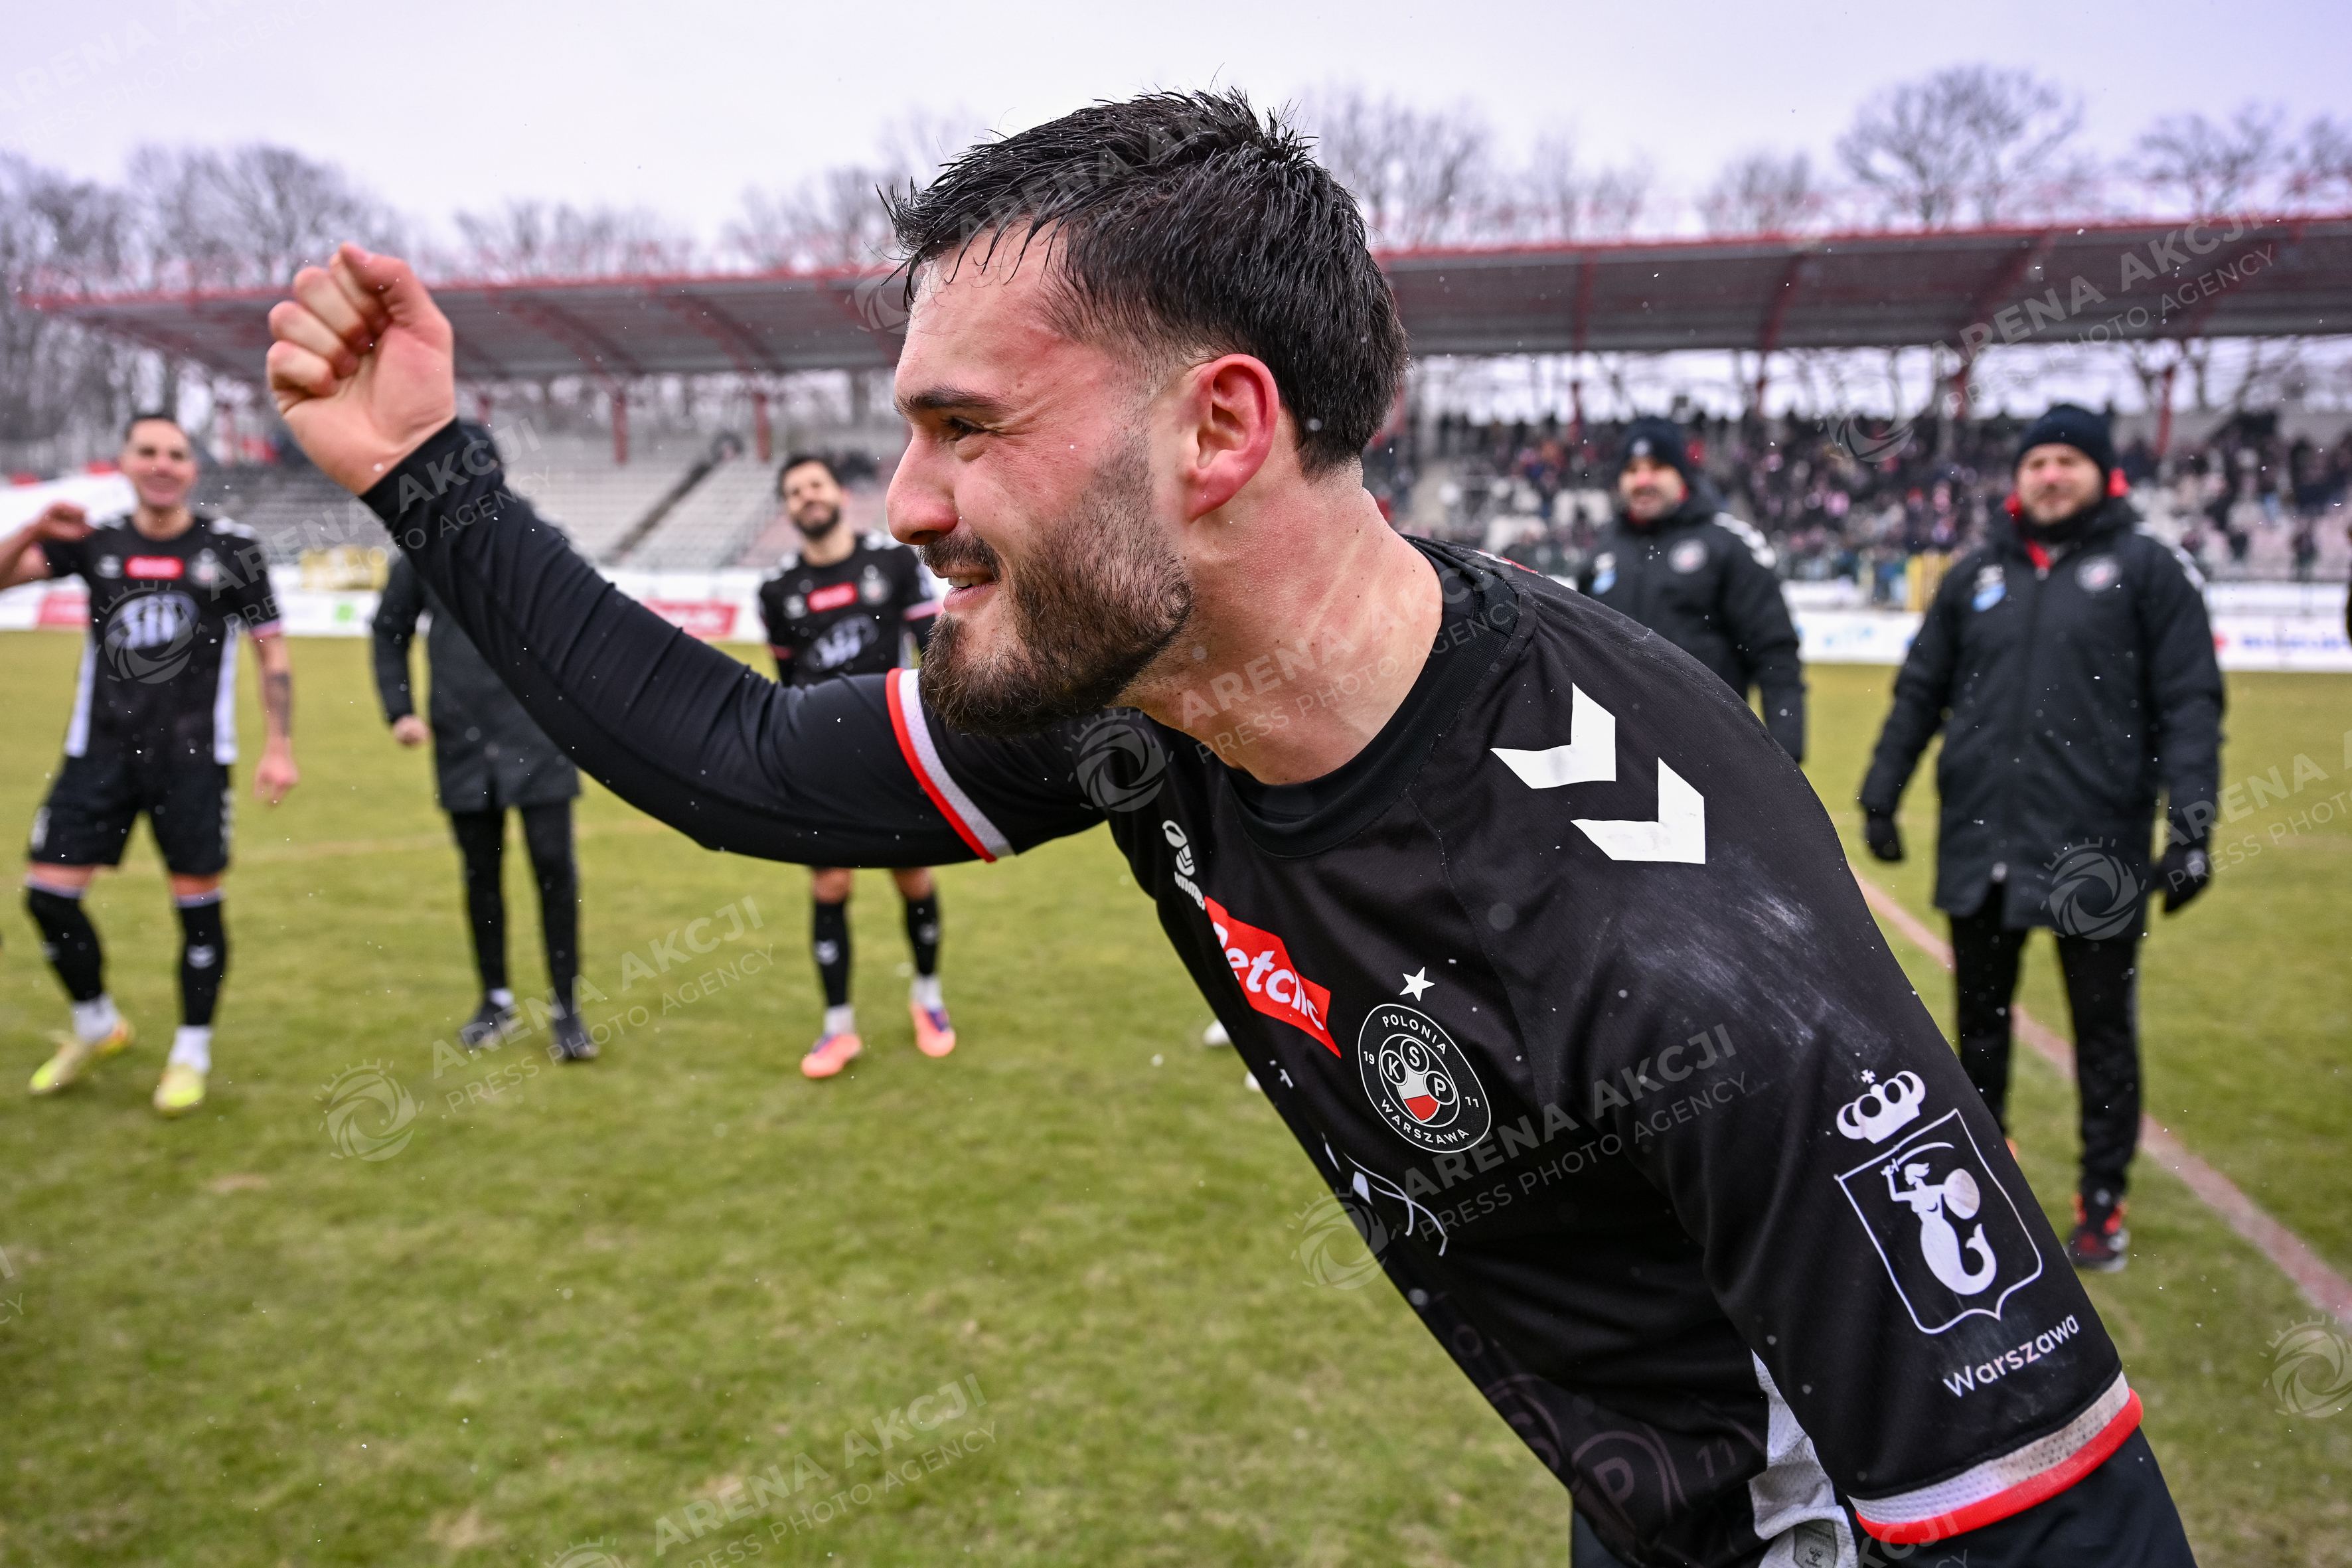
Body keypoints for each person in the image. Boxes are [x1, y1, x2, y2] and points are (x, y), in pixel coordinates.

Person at [264, 92, 2193, 1567]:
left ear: (1217, 431)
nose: (906, 498)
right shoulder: (1153, 695)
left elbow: (2049, 1518)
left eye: (964, 426)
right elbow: (748, 759)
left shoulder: (1666, 939)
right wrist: (428, 472)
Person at [1860, 404, 2224, 1275]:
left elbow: (2189, 702)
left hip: (2093, 851)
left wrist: (2191, 827)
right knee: (1975, 1034)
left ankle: (2101, 1204)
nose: (2050, 474)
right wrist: (1880, 794)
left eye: (2067, 460)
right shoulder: (1975, 574)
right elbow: (1920, 689)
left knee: (2101, 1035)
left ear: (2104, 473)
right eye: (2036, 461)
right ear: (2018, 478)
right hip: (1980, 842)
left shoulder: (2147, 570)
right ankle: (1985, 1183)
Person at [1, 413, 298, 1116]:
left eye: (176, 454)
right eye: (148, 452)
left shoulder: (233, 550)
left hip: (192, 760)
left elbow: (273, 652)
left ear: (192, 468)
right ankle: (96, 1024)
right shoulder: (95, 541)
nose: (162, 464)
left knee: (196, 907)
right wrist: (34, 529)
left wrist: (279, 746)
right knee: (47, 896)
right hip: (99, 752)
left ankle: (191, 1051)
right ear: (126, 462)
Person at [755, 453, 951, 1077]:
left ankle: (928, 999)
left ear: (839, 493)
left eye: (815, 485)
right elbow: (786, 684)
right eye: (794, 492)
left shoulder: (891, 564)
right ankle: (838, 1028)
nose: (806, 497)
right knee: (830, 885)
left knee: (911, 877)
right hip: (820, 761)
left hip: (893, 750)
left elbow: (934, 651)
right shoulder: (778, 591)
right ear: (788, 509)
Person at [370, 516, 593, 1061]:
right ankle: (495, 1000)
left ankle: (566, 1008)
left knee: (554, 869)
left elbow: (585, 618)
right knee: (480, 873)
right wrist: (400, 709)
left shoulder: (536, 537)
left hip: (537, 735)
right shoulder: (424, 547)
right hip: (463, 741)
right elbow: (389, 628)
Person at [1577, 416, 1806, 760]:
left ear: (1682, 473)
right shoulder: (1602, 551)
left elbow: (1775, 652)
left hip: (1708, 755)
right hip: (1617, 759)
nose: (1643, 481)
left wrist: (1786, 756)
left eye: (1657, 467)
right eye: (1632, 470)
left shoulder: (1729, 544)